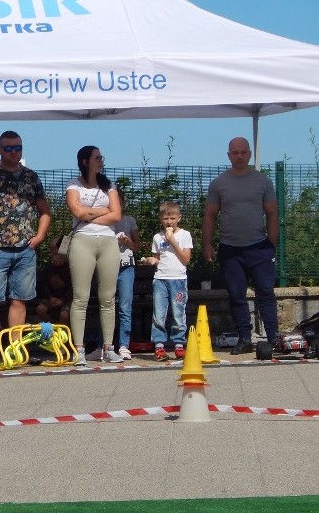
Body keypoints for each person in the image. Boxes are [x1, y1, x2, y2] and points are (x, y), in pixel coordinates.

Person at [0, 130, 52, 366]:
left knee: (20, 299)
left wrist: (40, 236)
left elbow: (44, 210)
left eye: (17, 148)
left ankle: (15, 350)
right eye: (8, 148)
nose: (13, 152)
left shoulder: (30, 176)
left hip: (25, 248)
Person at [202, 137, 279, 354]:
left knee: (265, 292)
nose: (239, 156)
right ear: (228, 155)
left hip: (260, 247)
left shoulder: (263, 181)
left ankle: (273, 337)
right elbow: (210, 215)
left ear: (250, 154)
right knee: (236, 295)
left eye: (243, 152)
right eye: (235, 153)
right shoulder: (219, 183)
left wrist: (271, 243)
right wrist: (207, 244)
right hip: (230, 248)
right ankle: (244, 338)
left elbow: (272, 213)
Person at [65, 145, 123, 364]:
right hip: (83, 240)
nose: (101, 161)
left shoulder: (109, 186)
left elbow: (117, 215)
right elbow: (76, 212)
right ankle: (78, 349)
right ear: (84, 161)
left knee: (108, 297)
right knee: (81, 297)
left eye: (101, 157)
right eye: (97, 158)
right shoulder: (73, 185)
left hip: (108, 241)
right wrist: (103, 212)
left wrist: (91, 215)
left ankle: (108, 348)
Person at [142, 201, 193, 360]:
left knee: (178, 312)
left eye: (172, 218)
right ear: (160, 219)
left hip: (178, 279)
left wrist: (172, 241)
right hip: (160, 279)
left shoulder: (184, 235)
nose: (169, 222)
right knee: (159, 313)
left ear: (179, 218)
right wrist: (151, 260)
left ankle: (179, 344)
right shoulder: (157, 237)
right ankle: (159, 345)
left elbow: (186, 259)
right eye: (165, 218)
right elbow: (157, 258)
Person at [111, 187, 141, 360]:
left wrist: (127, 241)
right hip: (108, 267)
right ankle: (104, 345)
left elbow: (137, 246)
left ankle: (123, 345)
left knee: (124, 306)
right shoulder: (104, 222)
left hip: (126, 267)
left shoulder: (129, 221)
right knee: (106, 306)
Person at [35, 237, 72, 326]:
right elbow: (45, 286)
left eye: (61, 254)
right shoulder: (47, 269)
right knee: (40, 309)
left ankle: (62, 332)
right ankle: (53, 328)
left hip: (66, 300)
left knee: (64, 314)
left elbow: (72, 288)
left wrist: (62, 300)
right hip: (51, 298)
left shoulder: (70, 269)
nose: (58, 257)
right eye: (56, 254)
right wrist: (50, 298)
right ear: (51, 254)